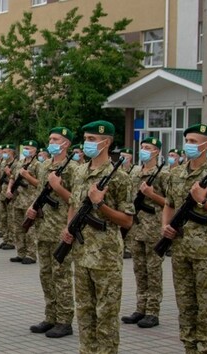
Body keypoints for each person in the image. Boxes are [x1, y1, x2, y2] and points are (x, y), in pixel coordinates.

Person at [161, 124, 207, 353]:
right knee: (185, 307)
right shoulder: (176, 173)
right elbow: (169, 204)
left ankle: (206, 349)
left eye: (195, 142)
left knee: (206, 309)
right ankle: (189, 348)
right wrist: (166, 225)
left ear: (206, 145)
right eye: (188, 141)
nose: (190, 146)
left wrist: (203, 202)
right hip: (181, 250)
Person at [60, 121, 134, 353]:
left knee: (106, 317)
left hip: (105, 257)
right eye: (86, 139)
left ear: (106, 142)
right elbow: (74, 203)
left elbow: (127, 220)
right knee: (84, 313)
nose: (87, 143)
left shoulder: (120, 178)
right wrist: (69, 227)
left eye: (92, 139)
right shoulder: (81, 171)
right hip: (81, 254)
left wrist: (100, 204)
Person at [26, 127, 78, 339]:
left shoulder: (74, 168)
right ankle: (51, 316)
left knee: (61, 275)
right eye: (50, 138)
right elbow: (39, 193)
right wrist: (32, 208)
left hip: (60, 230)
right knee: (46, 275)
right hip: (43, 229)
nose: (51, 141)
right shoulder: (44, 166)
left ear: (66, 143)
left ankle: (65, 320)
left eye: (56, 139)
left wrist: (58, 188)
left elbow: (78, 200)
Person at [121, 137, 168, 329]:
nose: (144, 151)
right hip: (137, 230)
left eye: (148, 148)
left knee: (153, 271)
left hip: (154, 230)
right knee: (139, 270)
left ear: (156, 152)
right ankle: (140, 308)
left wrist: (152, 195)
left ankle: (152, 311)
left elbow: (171, 204)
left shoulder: (163, 175)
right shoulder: (135, 174)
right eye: (142, 147)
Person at [7, 140, 40, 264]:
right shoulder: (19, 163)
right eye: (24, 148)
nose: (26, 150)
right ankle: (20, 253)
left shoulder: (38, 165)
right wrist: (10, 189)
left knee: (30, 229)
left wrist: (27, 176)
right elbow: (12, 177)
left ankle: (31, 255)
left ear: (35, 150)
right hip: (18, 200)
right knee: (18, 228)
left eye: (29, 148)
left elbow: (40, 184)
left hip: (30, 201)